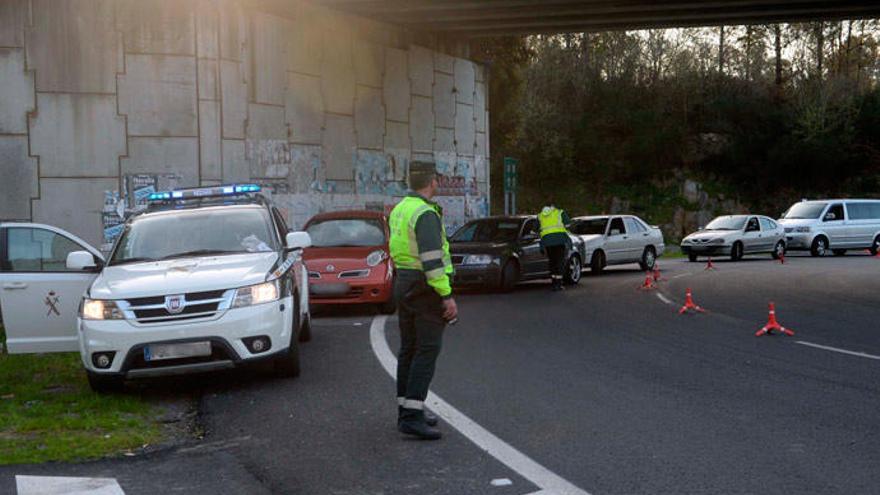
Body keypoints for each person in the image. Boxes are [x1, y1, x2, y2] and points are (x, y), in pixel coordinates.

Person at [388, 161, 457, 440]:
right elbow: (432, 262)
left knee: (409, 348)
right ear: (433, 182)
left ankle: (407, 408)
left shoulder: (400, 208)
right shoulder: (425, 213)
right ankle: (412, 416)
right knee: (426, 350)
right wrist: (446, 295)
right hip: (424, 287)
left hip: (404, 282)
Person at [538, 203, 572, 291]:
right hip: (560, 240)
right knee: (560, 262)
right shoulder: (559, 212)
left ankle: (554, 282)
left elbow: (535, 229)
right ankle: (559, 283)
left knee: (552, 261)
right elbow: (568, 224)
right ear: (553, 206)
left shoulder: (540, 216)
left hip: (547, 242)